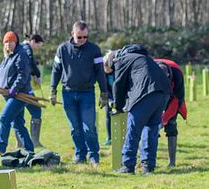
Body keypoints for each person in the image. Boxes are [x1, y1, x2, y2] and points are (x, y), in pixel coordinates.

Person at [50, 20, 108, 165]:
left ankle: (94, 156)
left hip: (87, 94)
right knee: (75, 129)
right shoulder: (62, 49)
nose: (82, 40)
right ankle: (80, 155)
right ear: (72, 34)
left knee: (89, 128)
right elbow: (56, 71)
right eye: (79, 37)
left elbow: (100, 72)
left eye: (85, 37)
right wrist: (52, 90)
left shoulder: (94, 50)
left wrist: (104, 92)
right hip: (68, 94)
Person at [107, 45, 171, 174]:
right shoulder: (143, 57)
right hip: (164, 93)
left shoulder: (121, 60)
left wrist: (117, 107)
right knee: (151, 129)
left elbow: (118, 85)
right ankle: (148, 166)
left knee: (133, 130)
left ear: (113, 61)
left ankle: (128, 165)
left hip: (146, 94)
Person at [0, 31, 35, 155]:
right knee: (17, 124)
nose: (8, 44)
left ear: (15, 41)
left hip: (19, 95)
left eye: (10, 41)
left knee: (4, 119)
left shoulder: (21, 54)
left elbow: (23, 75)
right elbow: (3, 67)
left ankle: (0, 147)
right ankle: (29, 149)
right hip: (9, 95)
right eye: (6, 42)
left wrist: (14, 88)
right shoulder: (10, 56)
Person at [149, 58, 186, 167]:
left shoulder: (177, 74)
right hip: (154, 94)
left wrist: (165, 119)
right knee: (152, 126)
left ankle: (172, 162)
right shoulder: (148, 71)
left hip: (173, 96)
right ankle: (150, 161)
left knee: (171, 125)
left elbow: (178, 99)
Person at [20, 33, 45, 148]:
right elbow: (30, 61)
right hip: (24, 88)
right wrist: (37, 72)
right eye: (38, 46)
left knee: (18, 115)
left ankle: (20, 143)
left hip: (18, 87)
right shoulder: (27, 49)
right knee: (36, 109)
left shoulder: (20, 47)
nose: (37, 49)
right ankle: (34, 141)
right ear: (33, 41)